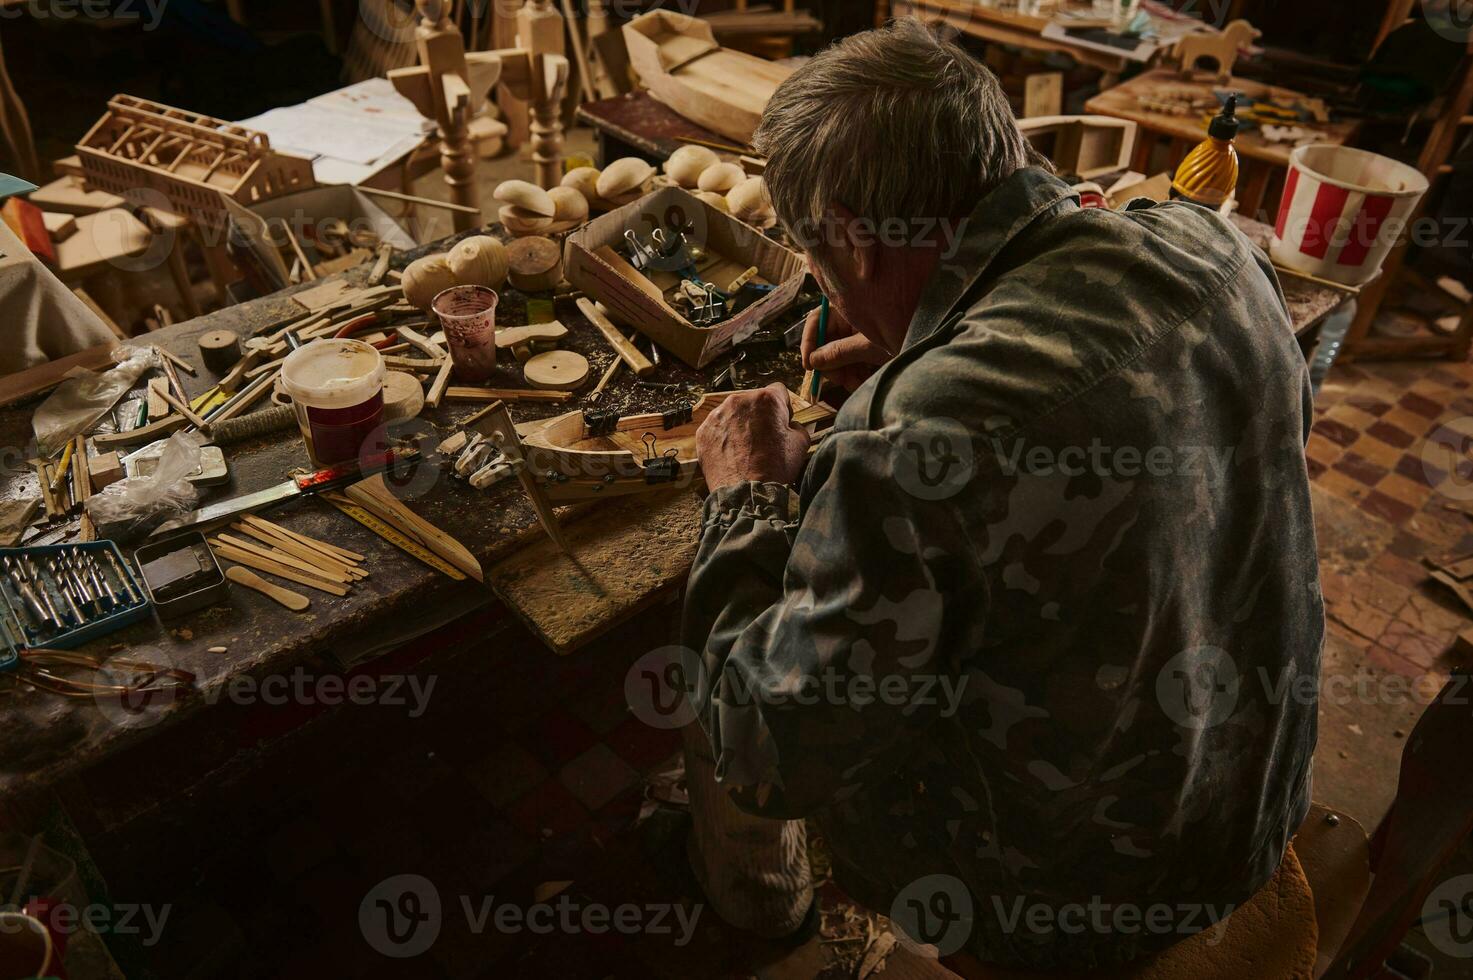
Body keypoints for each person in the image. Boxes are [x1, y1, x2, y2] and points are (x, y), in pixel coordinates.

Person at [678, 18, 1323, 971]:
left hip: (1067, 906)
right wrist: (934, 343)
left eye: (815, 260)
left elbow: (772, 755)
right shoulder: (1209, 248)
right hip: (1248, 805)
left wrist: (743, 499)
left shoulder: (911, 436)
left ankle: (764, 914)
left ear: (855, 242)